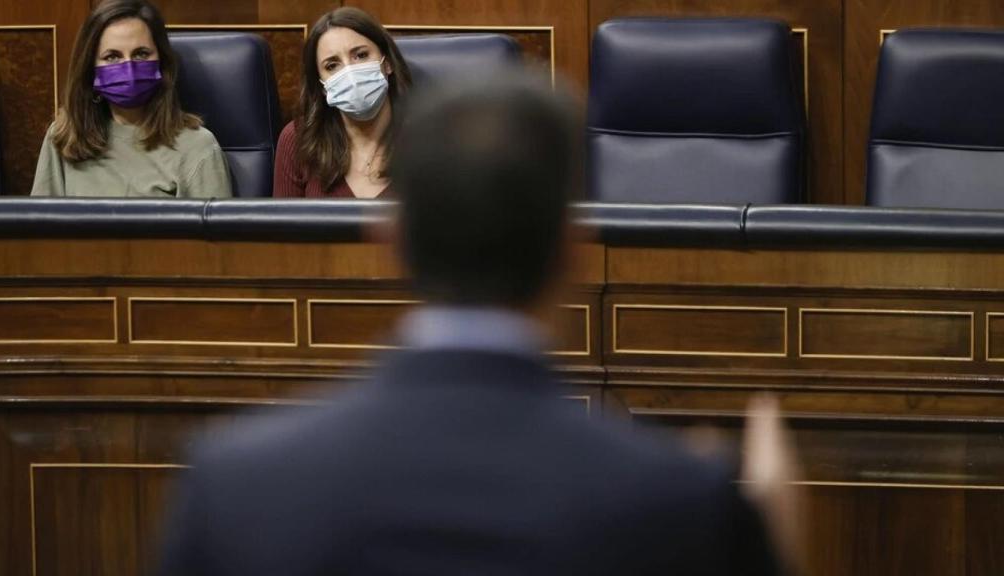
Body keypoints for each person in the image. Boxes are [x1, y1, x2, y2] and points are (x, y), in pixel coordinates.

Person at [158, 75, 788, 575]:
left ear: (391, 242)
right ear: (571, 248)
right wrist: (774, 541)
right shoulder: (680, 501)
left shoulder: (237, 484)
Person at [31, 0, 231, 198]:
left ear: (162, 63)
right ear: (90, 69)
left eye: (141, 54)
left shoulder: (197, 148)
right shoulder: (64, 137)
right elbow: (39, 226)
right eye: (112, 57)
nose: (128, 68)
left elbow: (215, 230)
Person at [272, 7, 411, 199]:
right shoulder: (298, 139)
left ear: (387, 63)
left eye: (361, 55)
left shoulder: (428, 136)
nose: (350, 73)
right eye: (332, 65)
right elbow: (282, 227)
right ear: (322, 86)